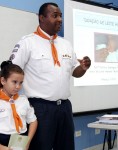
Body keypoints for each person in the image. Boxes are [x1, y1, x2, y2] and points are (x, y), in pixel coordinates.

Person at [9, 2, 91, 150]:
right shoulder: (27, 43)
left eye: (60, 16)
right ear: (41, 18)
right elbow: (10, 72)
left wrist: (83, 68)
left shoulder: (66, 44)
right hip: (39, 108)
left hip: (64, 108)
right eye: (55, 16)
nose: (60, 19)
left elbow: (74, 71)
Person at [0, 60, 37, 150]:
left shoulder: (23, 100)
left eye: (21, 83)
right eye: (14, 82)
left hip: (21, 140)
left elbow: (33, 121)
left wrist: (28, 142)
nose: (18, 86)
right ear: (3, 80)